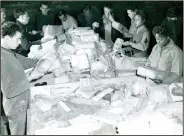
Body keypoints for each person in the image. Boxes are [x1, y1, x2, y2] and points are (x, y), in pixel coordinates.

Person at [1, 22, 32, 135]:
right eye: (17, 39)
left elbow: (25, 62)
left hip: (21, 103)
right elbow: (8, 91)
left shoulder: (8, 52)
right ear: (7, 38)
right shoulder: (2, 57)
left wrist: (44, 59)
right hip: (15, 106)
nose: (19, 42)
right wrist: (30, 78)